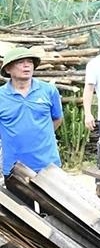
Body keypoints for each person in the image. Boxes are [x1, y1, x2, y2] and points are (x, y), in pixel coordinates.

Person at [0, 47, 63, 178]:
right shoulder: (1, 96)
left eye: (29, 61)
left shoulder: (49, 91)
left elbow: (57, 118)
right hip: (15, 167)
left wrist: (40, 136)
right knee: (17, 200)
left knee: (52, 199)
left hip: (48, 165)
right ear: (8, 69)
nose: (26, 65)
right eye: (20, 62)